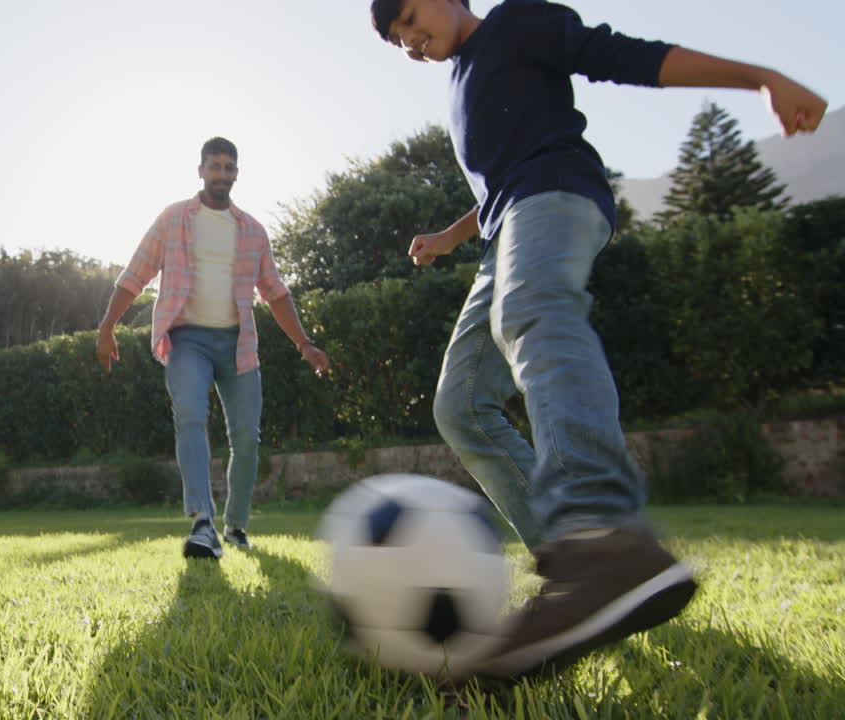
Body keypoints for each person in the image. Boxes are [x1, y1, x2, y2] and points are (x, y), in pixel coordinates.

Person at [368, 0, 827, 677]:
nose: (409, 41)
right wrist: (451, 236)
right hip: (507, 224)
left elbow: (624, 56)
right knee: (461, 406)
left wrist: (760, 75)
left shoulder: (516, 24)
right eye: (396, 39)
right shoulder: (463, 76)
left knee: (534, 307)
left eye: (408, 18)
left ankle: (603, 537)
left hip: (555, 198)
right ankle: (577, 572)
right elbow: (503, 176)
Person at [95, 137, 331, 560]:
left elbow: (275, 293)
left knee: (246, 438)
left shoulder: (252, 231)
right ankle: (201, 521)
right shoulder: (173, 220)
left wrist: (304, 344)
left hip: (236, 343)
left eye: (229, 168)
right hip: (186, 339)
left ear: (237, 173)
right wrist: (107, 327)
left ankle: (235, 525)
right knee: (189, 415)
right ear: (200, 170)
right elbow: (135, 274)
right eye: (215, 166)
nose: (222, 174)